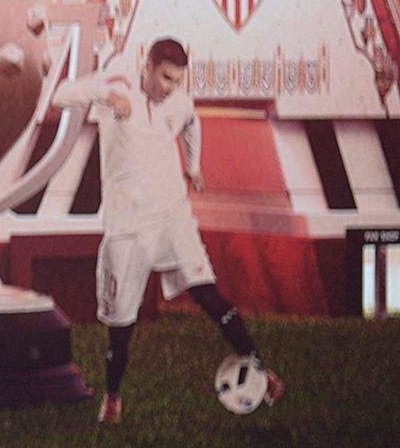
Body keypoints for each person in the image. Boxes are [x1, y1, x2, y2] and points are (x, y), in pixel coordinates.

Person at [50, 35, 280, 425]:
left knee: (206, 290)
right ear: (147, 66)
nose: (170, 87)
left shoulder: (179, 101)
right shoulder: (116, 86)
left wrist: (193, 165)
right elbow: (60, 95)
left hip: (172, 216)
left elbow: (191, 123)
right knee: (122, 323)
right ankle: (113, 396)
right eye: (165, 78)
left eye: (177, 80)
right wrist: (105, 98)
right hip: (128, 227)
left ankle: (262, 368)